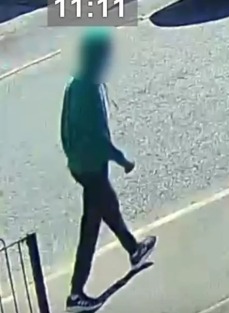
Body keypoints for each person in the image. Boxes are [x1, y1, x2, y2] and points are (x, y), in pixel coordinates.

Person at [60, 27, 157, 312]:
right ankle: (76, 295)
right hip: (91, 166)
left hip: (81, 164)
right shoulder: (88, 89)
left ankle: (134, 250)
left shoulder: (78, 83)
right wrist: (122, 159)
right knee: (90, 228)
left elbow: (66, 128)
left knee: (106, 209)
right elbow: (97, 138)